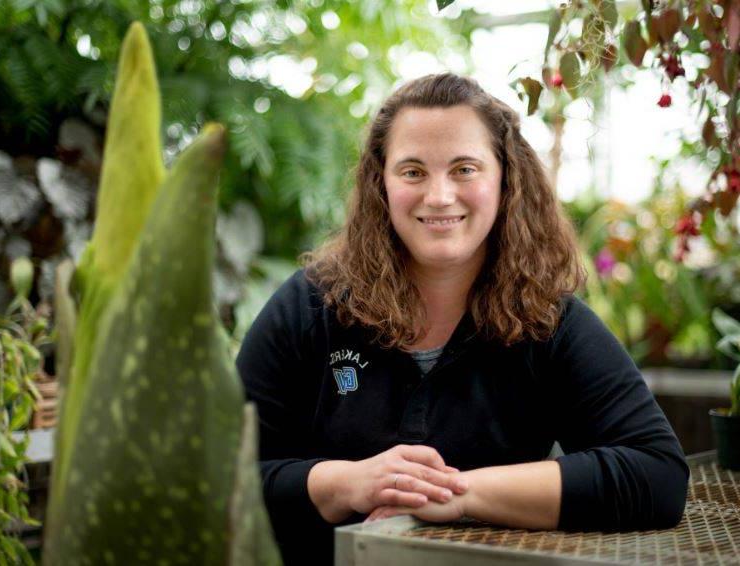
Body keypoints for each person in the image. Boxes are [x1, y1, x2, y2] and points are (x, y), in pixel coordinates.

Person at [235, 73, 689, 565]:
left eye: (464, 169)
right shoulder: (309, 308)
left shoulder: (547, 319)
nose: (439, 195)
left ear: (505, 180)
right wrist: (344, 483)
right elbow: (216, 475)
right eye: (412, 172)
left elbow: (658, 474)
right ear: (380, 184)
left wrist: (458, 494)